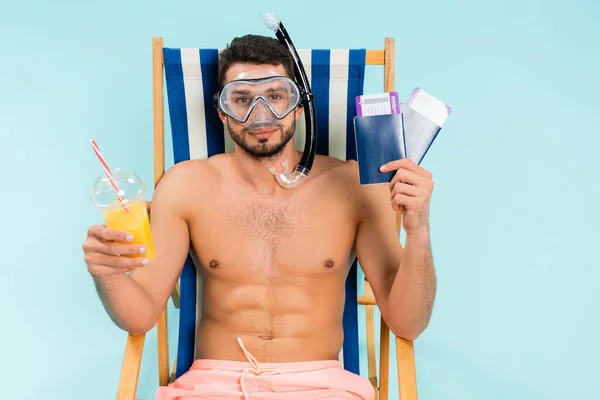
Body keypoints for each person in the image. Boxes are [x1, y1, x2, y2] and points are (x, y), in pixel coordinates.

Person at [82, 34, 437, 400]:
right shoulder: (186, 185)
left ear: (299, 106)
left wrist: (419, 230)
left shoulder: (355, 186)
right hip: (213, 386)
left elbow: (408, 323)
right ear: (222, 111)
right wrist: (106, 273)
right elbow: (139, 317)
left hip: (321, 388)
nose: (261, 114)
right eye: (242, 100)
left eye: (276, 96)